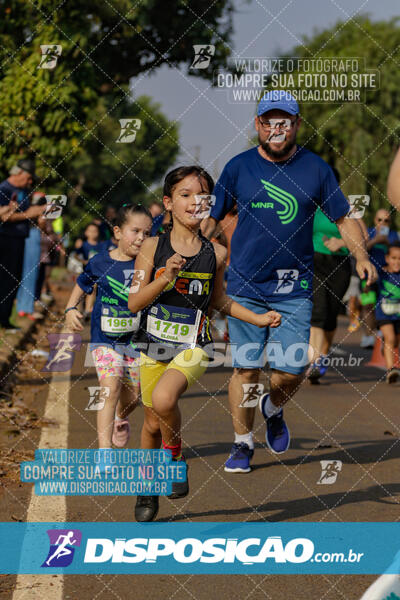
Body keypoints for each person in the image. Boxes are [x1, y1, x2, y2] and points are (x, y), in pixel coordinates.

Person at [202, 90, 376, 474]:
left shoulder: (316, 168)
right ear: (258, 125)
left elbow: (344, 218)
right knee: (245, 370)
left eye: (285, 121)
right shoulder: (238, 167)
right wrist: (200, 245)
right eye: (269, 121)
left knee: (293, 370)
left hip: (294, 287)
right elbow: (214, 217)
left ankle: (273, 407)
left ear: (296, 124)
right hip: (246, 284)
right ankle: (242, 443)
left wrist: (361, 255)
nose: (277, 128)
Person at [128, 165, 281, 522]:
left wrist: (258, 318)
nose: (194, 203)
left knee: (165, 400)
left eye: (202, 196)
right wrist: (166, 277)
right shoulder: (152, 246)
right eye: (185, 195)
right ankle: (147, 487)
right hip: (153, 344)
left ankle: (176, 457)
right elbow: (134, 303)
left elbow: (218, 300)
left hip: (194, 345)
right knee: (151, 423)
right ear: (168, 203)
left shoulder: (216, 253)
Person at [64, 204, 153, 453]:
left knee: (132, 397)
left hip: (135, 342)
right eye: (135, 231)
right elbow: (83, 284)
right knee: (110, 386)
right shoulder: (100, 262)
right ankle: (104, 450)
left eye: (146, 233)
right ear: (117, 232)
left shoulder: (147, 264)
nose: (140, 238)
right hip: (104, 340)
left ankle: (120, 418)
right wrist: (71, 308)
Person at [306, 168, 352, 382]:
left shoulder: (347, 206)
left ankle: (323, 355)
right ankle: (314, 362)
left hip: (340, 264)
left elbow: (365, 234)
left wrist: (342, 242)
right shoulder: (309, 205)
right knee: (319, 310)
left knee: (331, 314)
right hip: (315, 260)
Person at [0, 159, 45, 331]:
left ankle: (4, 319)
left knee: (12, 280)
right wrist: (28, 214)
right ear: (19, 173)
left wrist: (38, 216)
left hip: (19, 240)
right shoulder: (4, 189)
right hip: (5, 239)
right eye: (28, 177)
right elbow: (3, 217)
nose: (30, 181)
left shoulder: (24, 191)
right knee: (4, 280)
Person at [360, 209, 400, 349]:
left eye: (386, 220)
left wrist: (387, 243)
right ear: (375, 221)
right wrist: (376, 240)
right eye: (379, 220)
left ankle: (383, 333)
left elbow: (396, 255)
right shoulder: (368, 232)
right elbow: (360, 250)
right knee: (368, 305)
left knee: (385, 304)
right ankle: (368, 336)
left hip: (388, 279)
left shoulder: (395, 235)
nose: (382, 223)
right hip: (368, 276)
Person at [16, 192, 47, 321]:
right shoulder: (35, 209)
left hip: (21, 235)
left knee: (23, 272)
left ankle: (22, 307)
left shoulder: (24, 204)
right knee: (31, 273)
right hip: (31, 236)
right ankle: (26, 308)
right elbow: (42, 226)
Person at [373, 242, 400, 383]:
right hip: (383, 313)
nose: (397, 262)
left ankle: (386, 346)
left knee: (395, 342)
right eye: (394, 258)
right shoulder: (381, 273)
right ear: (387, 258)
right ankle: (391, 370)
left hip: (398, 314)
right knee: (389, 338)